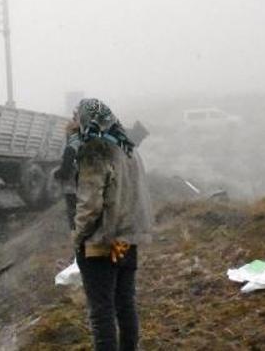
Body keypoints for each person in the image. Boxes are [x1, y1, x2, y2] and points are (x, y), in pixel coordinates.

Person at [71, 98, 152, 351]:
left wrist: (77, 237)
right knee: (124, 303)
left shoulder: (94, 148)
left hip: (101, 244)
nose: (74, 121)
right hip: (125, 241)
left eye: (76, 116)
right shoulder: (128, 148)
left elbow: (90, 204)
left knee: (101, 311)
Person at [54, 110, 81, 230]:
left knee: (73, 211)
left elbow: (66, 170)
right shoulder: (86, 144)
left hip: (73, 188)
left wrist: (57, 174)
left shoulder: (71, 148)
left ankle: (76, 234)